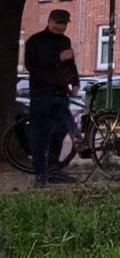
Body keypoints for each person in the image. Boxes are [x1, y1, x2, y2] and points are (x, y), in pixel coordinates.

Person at [23, 9, 81, 186]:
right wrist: (57, 58)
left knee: (59, 132)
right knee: (40, 134)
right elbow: (32, 65)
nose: (61, 27)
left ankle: (53, 170)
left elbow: (69, 64)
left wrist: (75, 82)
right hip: (41, 93)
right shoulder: (35, 41)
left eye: (64, 24)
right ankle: (40, 174)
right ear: (49, 21)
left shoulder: (65, 41)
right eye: (58, 23)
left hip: (60, 92)